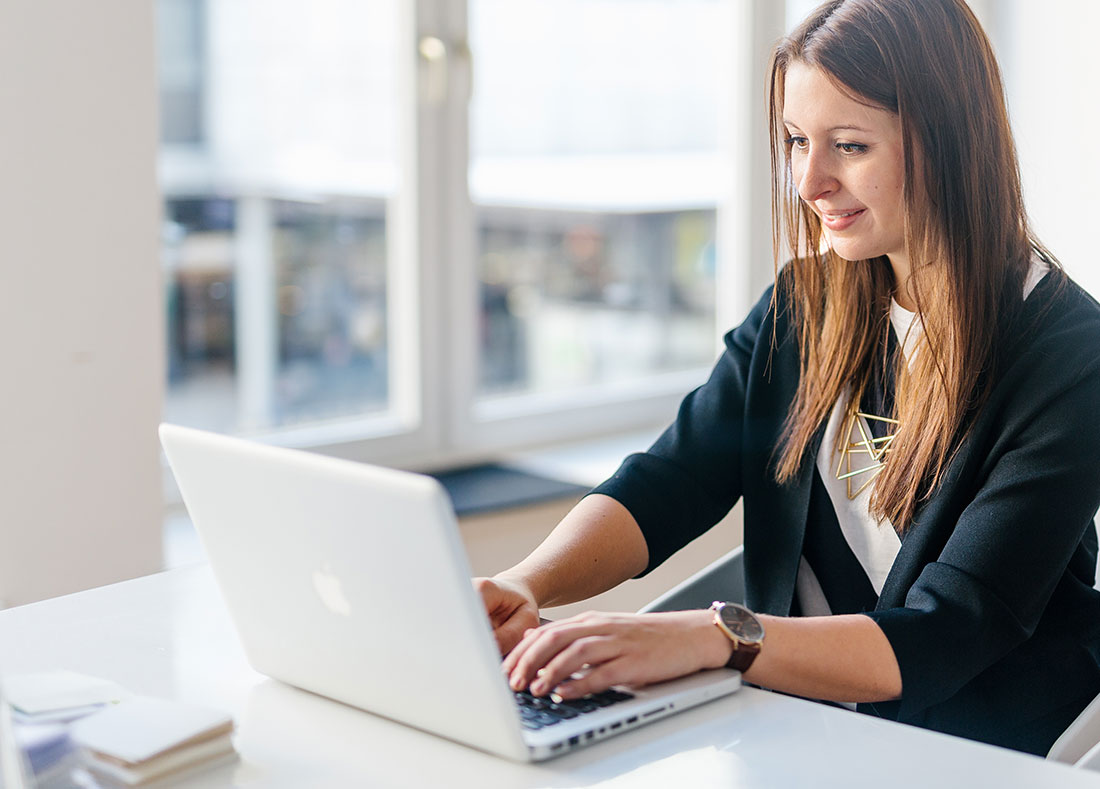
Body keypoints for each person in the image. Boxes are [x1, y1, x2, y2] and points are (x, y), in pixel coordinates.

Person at [475, 0, 1100, 757]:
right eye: (798, 140)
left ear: (951, 141)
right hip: (794, 733)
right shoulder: (803, 305)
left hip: (982, 752)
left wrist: (715, 638)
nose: (809, 181)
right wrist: (526, 583)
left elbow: (951, 626)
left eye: (849, 145)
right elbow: (668, 481)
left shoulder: (1071, 354)